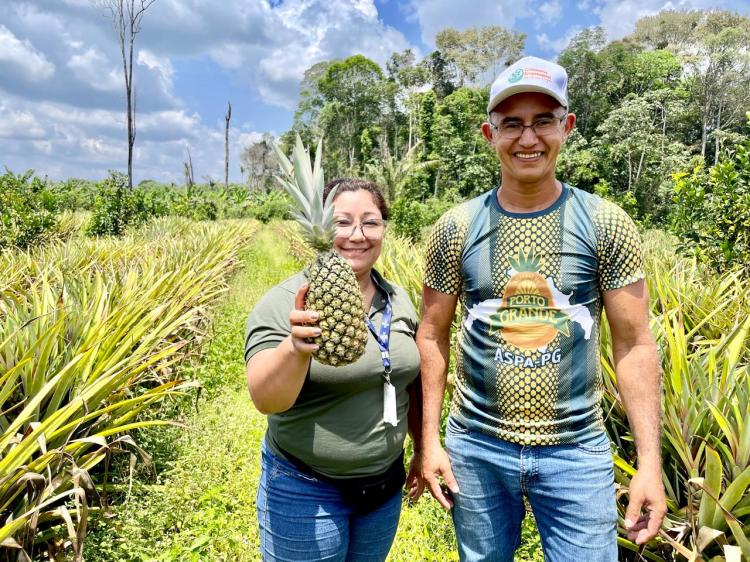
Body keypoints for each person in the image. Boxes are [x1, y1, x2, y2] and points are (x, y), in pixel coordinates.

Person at [417, 56, 666, 561]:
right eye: (512, 124)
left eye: (543, 121)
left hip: (576, 449)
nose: (528, 138)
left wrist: (650, 463)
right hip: (477, 446)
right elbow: (431, 334)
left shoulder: (606, 222)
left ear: (566, 127)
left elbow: (634, 344)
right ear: (489, 134)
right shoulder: (455, 227)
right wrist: (429, 442)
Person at [244, 178, 423, 562]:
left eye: (370, 222)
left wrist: (423, 448)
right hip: (305, 489)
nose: (357, 235)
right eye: (342, 222)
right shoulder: (282, 303)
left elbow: (410, 383)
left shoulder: (399, 298)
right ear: (324, 229)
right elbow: (265, 399)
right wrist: (294, 348)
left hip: (383, 488)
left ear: (384, 227)